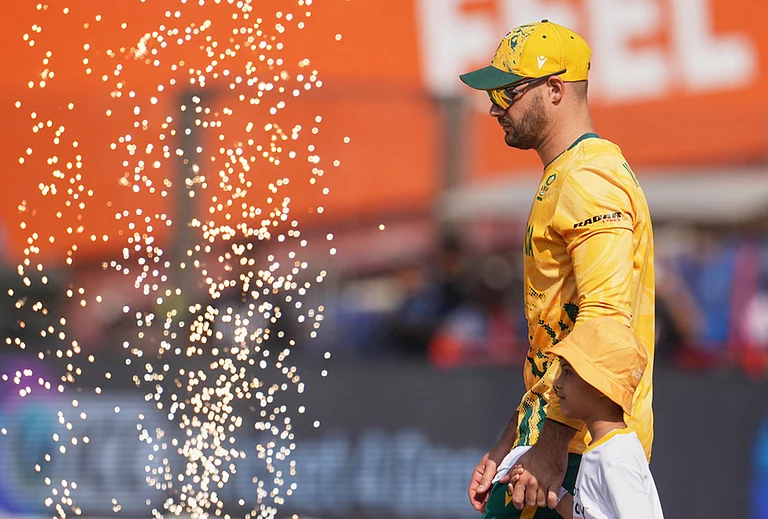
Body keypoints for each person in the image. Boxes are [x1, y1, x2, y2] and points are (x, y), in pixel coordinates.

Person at [459, 20, 655, 518]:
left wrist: (549, 446)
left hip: (574, 453)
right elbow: (551, 345)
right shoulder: (567, 173)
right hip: (552, 444)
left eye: (508, 92)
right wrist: (509, 443)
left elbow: (603, 320)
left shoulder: (589, 176)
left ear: (555, 89)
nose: (494, 107)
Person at [511, 318, 664, 518]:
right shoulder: (604, 449)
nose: (556, 383)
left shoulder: (615, 457)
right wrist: (553, 490)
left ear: (602, 386)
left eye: (567, 372)